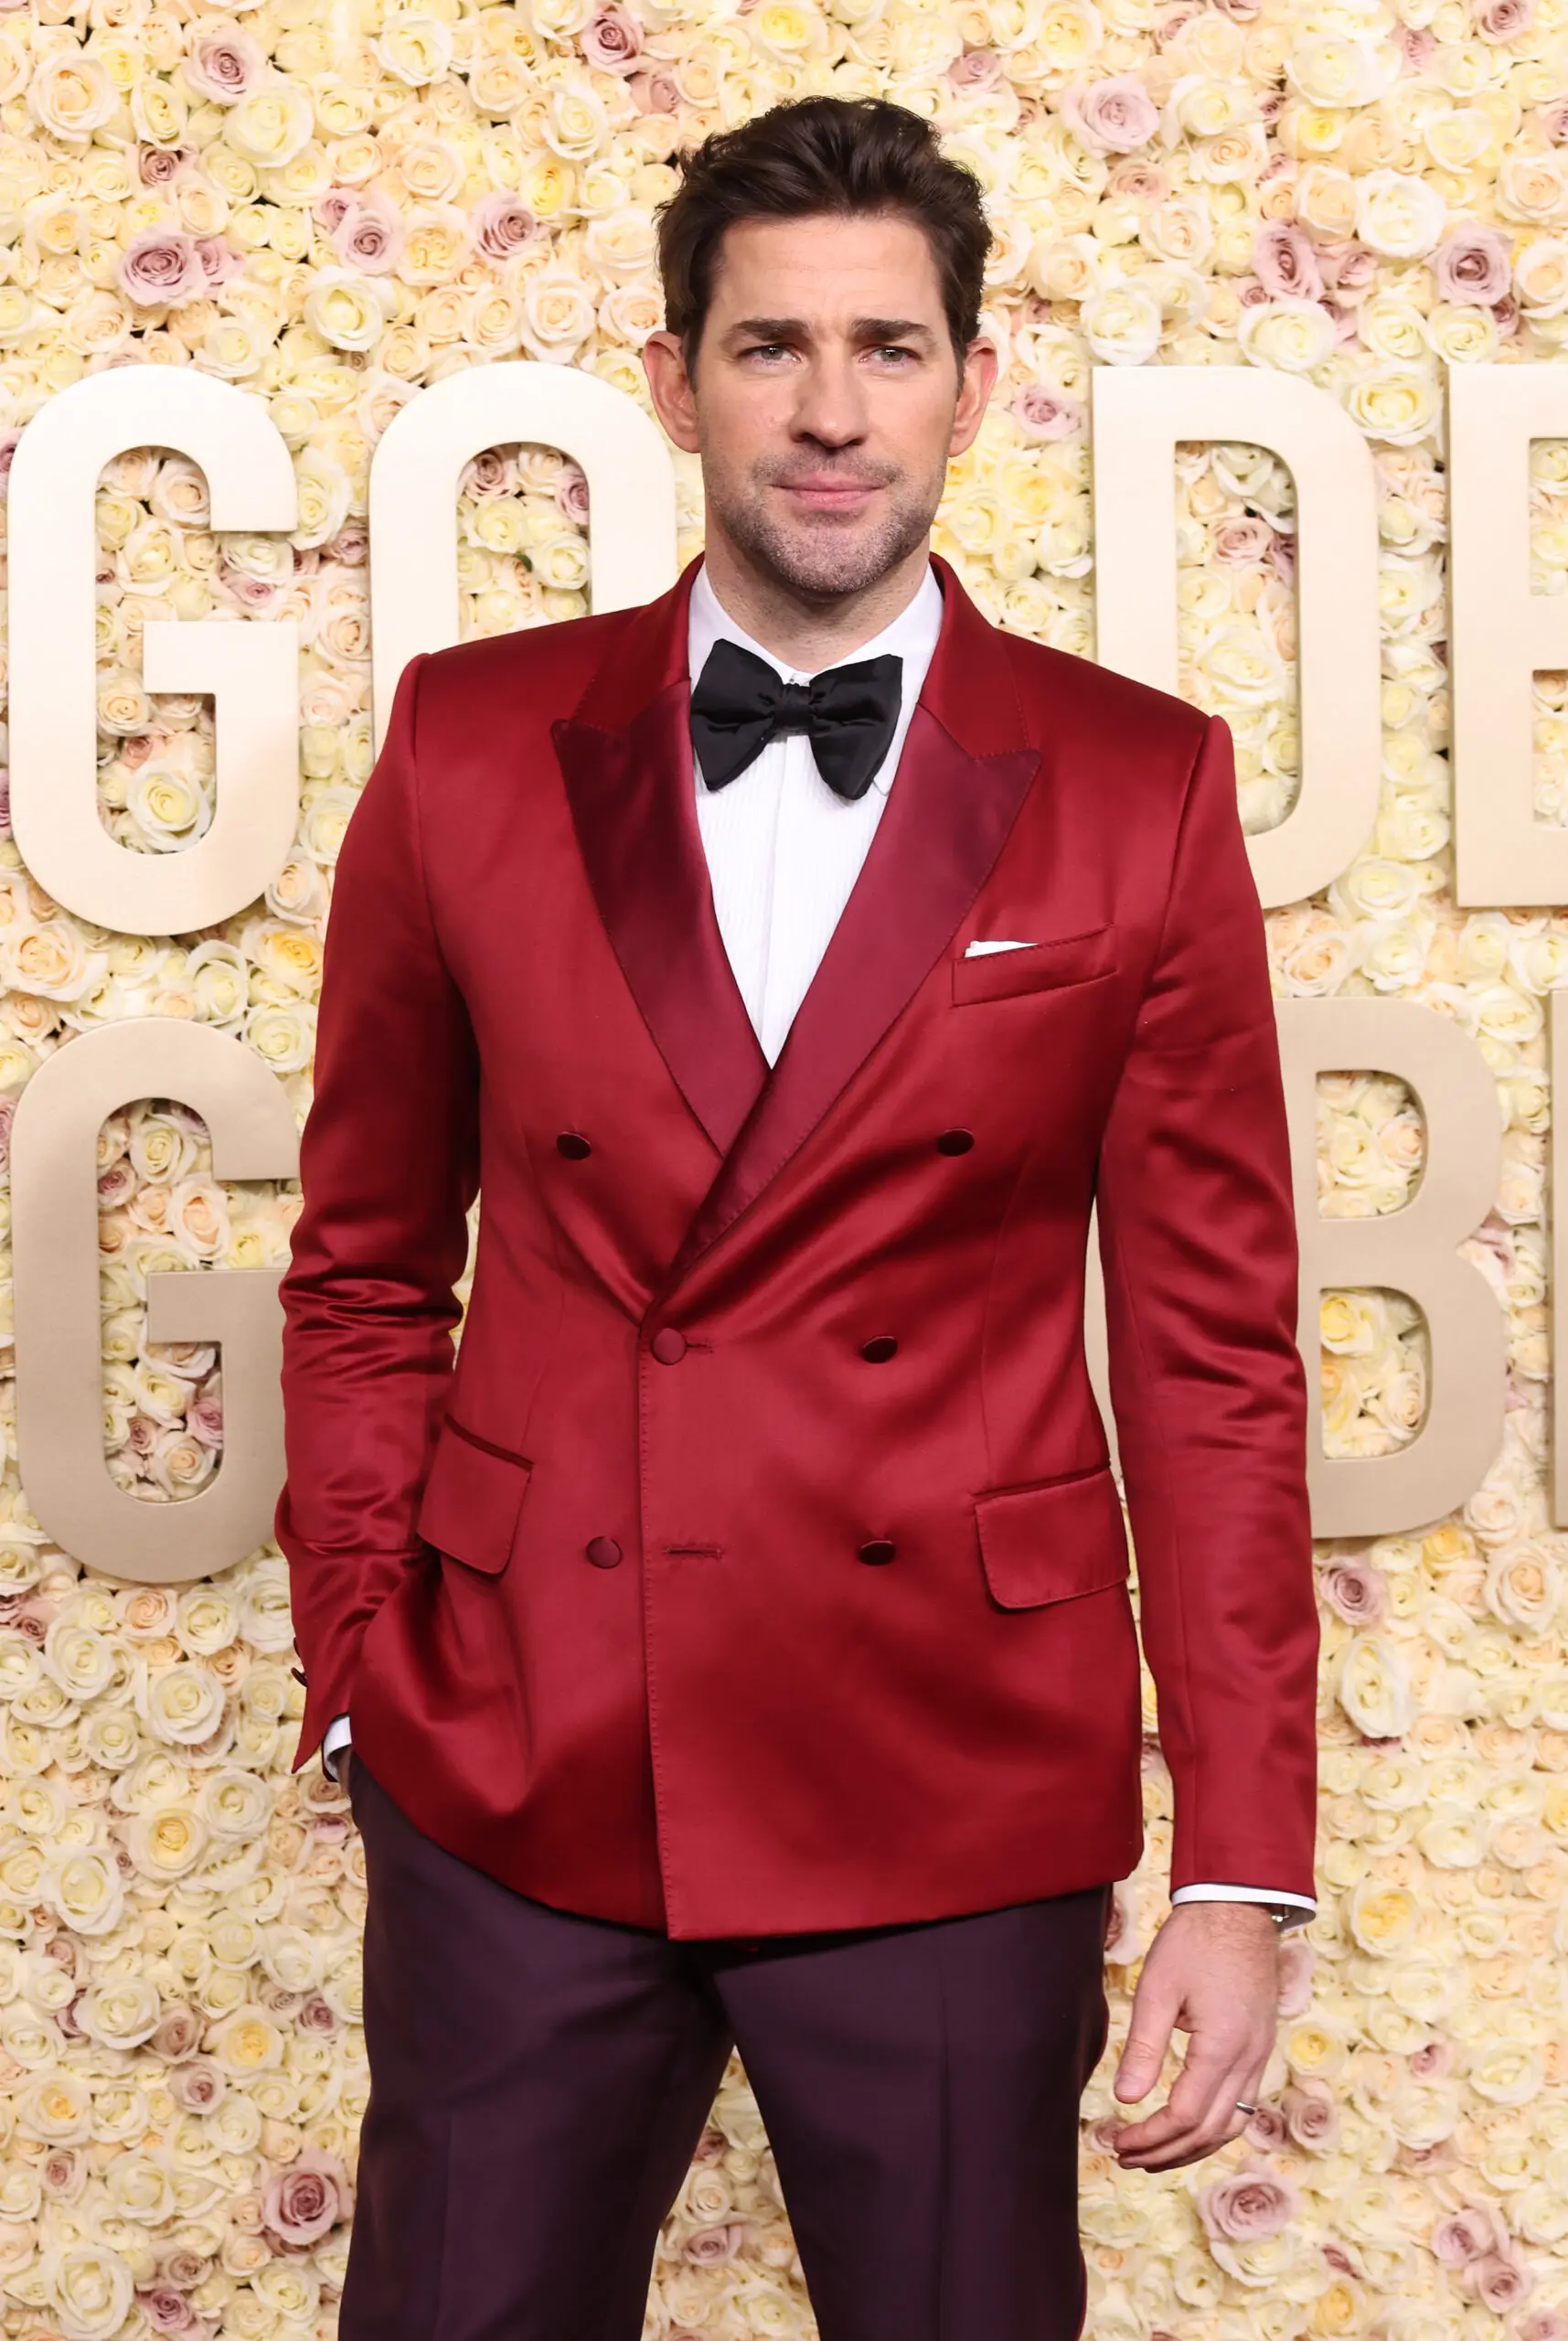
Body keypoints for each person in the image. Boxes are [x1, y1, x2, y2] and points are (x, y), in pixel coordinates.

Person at [275, 92, 1320, 2341]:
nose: (830, 412)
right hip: (520, 1761)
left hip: (950, 1781)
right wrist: (370, 1671)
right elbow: (363, 1258)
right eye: (767, 350)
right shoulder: (467, 744)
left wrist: (1238, 1859)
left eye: (885, 346)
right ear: (673, 379)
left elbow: (1211, 1354)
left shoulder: (1139, 785)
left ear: (970, 373)